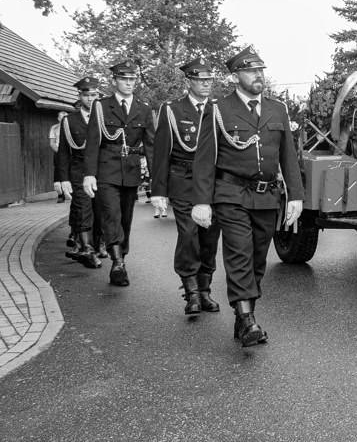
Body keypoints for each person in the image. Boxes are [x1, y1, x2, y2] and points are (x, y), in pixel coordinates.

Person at [191, 46, 304, 347]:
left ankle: (243, 318)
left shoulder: (276, 109)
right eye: (252, 71)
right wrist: (202, 201)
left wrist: (296, 195)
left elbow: (288, 157)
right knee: (239, 252)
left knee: (257, 260)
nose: (259, 76)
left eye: (261, 71)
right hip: (231, 194)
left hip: (266, 197)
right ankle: (248, 320)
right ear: (236, 76)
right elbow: (204, 159)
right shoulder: (218, 109)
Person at [151, 58, 222, 315]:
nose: (206, 84)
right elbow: (161, 153)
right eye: (201, 80)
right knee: (189, 234)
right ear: (188, 81)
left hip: (212, 182)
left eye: (209, 80)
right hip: (182, 179)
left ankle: (205, 291)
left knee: (209, 238)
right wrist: (158, 191)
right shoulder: (172, 110)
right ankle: (191, 291)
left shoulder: (218, 110)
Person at [83, 59, 155, 287]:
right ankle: (117, 263)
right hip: (106, 169)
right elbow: (93, 142)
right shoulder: (101, 107)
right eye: (124, 79)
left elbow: (151, 145)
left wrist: (156, 180)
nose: (129, 83)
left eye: (132, 79)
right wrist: (89, 174)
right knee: (110, 214)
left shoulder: (143, 109)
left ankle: (121, 255)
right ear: (114, 81)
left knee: (126, 218)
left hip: (131, 170)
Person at [55, 77, 104, 269]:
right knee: (83, 209)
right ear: (80, 96)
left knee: (100, 210)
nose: (90, 98)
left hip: (101, 171)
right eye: (86, 95)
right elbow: (63, 153)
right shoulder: (69, 121)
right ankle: (86, 249)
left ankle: (99, 242)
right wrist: (62, 179)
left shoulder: (104, 117)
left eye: (94, 95)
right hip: (79, 171)